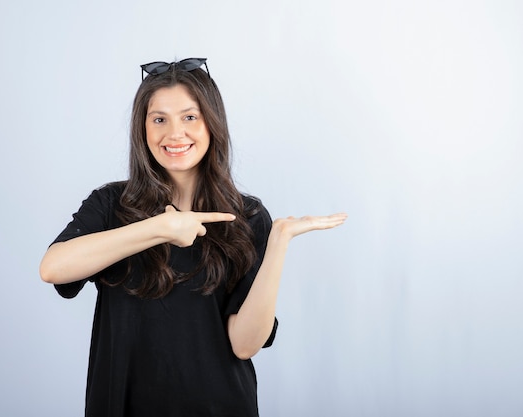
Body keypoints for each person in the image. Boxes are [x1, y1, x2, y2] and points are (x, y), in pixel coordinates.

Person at [39, 57, 347, 417]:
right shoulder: (111, 205)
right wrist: (158, 228)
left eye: (190, 117)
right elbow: (53, 268)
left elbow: (245, 345)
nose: (175, 134)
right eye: (159, 120)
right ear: (143, 130)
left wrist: (277, 244)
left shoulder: (245, 217)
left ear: (212, 124)